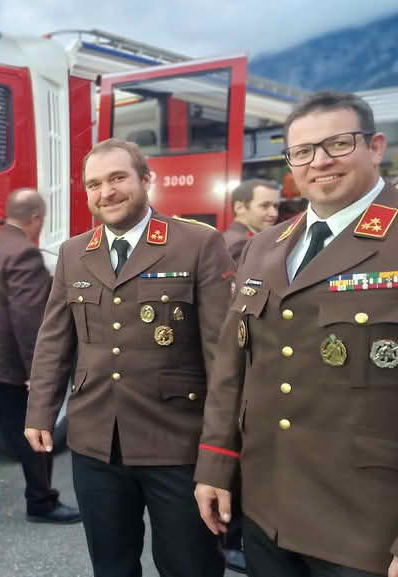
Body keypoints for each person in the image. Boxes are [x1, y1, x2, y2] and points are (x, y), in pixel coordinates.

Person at [195, 92, 398, 577]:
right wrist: (215, 466)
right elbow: (232, 369)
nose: (319, 162)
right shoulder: (266, 246)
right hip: (269, 513)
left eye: (338, 144)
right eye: (302, 151)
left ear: (375, 147)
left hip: (367, 527)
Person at [25, 138, 234, 577]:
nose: (107, 192)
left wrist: (220, 451)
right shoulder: (74, 252)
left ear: (145, 180)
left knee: (190, 566)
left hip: (175, 442)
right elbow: (54, 341)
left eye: (118, 178)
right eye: (94, 184)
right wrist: (40, 411)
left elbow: (223, 357)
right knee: (111, 566)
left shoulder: (196, 243)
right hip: (96, 443)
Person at [0, 188, 81, 524]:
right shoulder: (24, 254)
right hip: (7, 366)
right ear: (36, 218)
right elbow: (29, 320)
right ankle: (42, 502)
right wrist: (37, 372)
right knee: (35, 430)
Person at [223, 180, 281, 262]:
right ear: (239, 207)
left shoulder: (232, 237)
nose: (274, 214)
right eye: (265, 205)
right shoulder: (242, 244)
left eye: (276, 206)